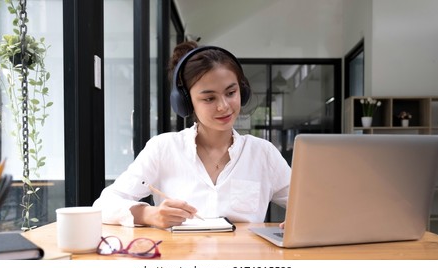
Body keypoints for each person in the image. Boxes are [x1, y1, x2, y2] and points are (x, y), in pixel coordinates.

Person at [93, 41, 291, 229]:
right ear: (186, 103)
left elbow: (312, 207)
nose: (224, 106)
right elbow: (103, 206)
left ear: (243, 91)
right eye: (209, 98)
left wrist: (299, 222)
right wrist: (150, 215)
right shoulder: (163, 148)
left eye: (231, 93)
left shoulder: (263, 153)